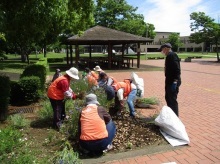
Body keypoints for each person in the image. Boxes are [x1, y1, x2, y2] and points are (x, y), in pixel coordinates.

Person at [158, 43, 181, 116]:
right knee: (168, 98)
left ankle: (175, 117)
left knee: (172, 100)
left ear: (166, 48)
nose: (162, 52)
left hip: (172, 82)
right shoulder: (169, 56)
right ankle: (171, 116)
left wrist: (175, 81)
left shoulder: (172, 55)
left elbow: (177, 69)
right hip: (169, 80)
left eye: (162, 50)